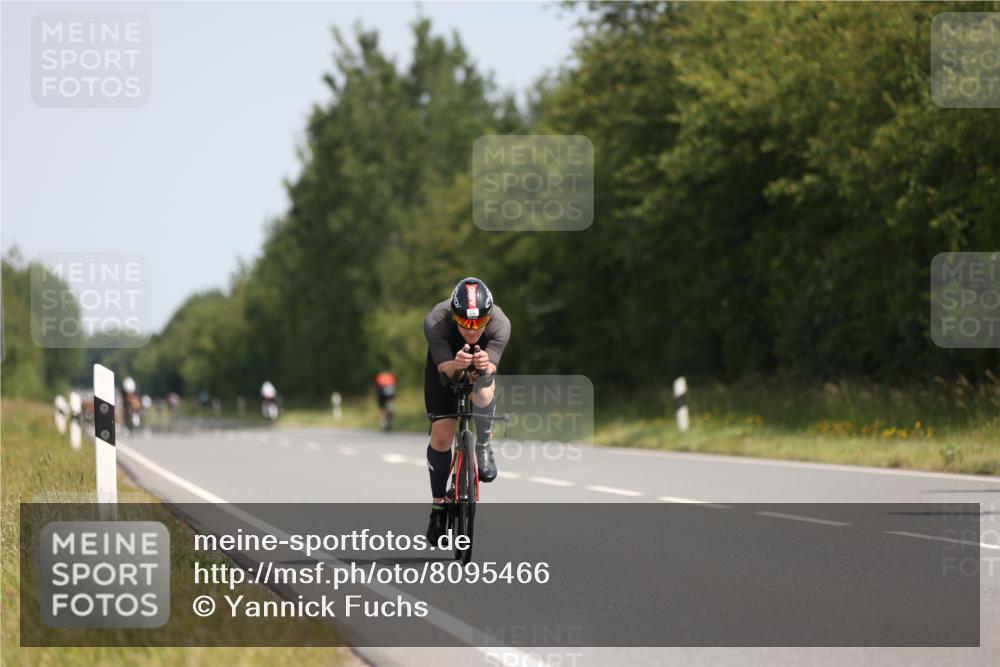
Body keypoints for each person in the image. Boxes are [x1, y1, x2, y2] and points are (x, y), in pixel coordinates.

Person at [423, 277, 510, 542]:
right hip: (446, 365)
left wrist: (484, 366)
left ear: (488, 318)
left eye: (479, 323)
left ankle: (483, 445)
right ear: (454, 316)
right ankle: (438, 506)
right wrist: (455, 364)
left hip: (479, 367)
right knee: (442, 433)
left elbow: (490, 372)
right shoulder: (436, 320)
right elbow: (445, 372)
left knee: (483, 391)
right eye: (465, 324)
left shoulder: (500, 324)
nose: (473, 331)